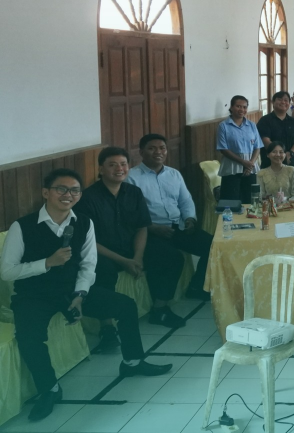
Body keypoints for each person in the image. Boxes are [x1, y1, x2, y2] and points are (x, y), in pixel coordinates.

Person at [0, 169, 173, 421]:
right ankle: (50, 389)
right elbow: (7, 271)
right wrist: (46, 263)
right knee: (29, 336)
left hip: (72, 290)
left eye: (74, 190)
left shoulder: (83, 222)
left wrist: (80, 295)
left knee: (125, 305)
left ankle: (133, 362)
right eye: (61, 189)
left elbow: (88, 265)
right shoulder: (22, 226)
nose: (68, 195)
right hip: (34, 295)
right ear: (46, 192)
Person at [78, 147, 190, 336]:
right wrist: (124, 261)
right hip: (103, 251)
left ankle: (160, 309)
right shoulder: (88, 198)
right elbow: (88, 242)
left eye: (123, 164)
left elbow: (141, 227)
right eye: (112, 165)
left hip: (131, 247)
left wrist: (138, 256)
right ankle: (106, 327)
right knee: (101, 270)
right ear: (101, 169)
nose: (119, 169)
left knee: (172, 257)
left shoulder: (134, 192)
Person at [127, 134, 213, 301]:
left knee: (213, 246)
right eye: (152, 148)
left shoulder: (174, 174)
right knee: (171, 258)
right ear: (141, 152)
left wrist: (189, 219)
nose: (158, 152)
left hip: (177, 227)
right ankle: (160, 306)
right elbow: (130, 213)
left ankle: (197, 287)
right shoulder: (131, 177)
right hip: (149, 232)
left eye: (162, 148)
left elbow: (185, 201)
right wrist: (152, 228)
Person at [217, 95, 262, 201]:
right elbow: (223, 149)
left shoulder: (252, 125)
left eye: (244, 107)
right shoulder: (223, 126)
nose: (242, 109)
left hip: (250, 169)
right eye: (238, 106)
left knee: (250, 201)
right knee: (231, 202)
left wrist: (250, 164)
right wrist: (243, 162)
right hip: (231, 169)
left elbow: (257, 146)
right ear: (231, 107)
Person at [256, 91, 294, 168]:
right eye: (279, 99)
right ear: (273, 102)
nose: (283, 102)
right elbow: (265, 140)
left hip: (291, 162)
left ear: (289, 103)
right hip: (270, 164)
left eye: (286, 100)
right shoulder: (264, 120)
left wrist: (290, 153)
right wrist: (280, 155)